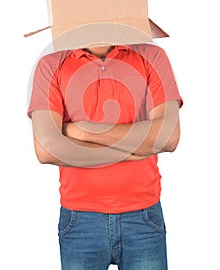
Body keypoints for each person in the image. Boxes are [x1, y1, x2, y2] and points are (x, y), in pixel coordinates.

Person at [28, 42, 183, 270]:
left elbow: (168, 137)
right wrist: (133, 150)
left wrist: (82, 130)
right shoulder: (51, 64)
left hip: (142, 216)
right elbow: (47, 149)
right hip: (80, 219)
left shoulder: (151, 55)